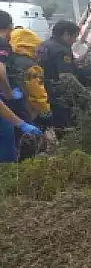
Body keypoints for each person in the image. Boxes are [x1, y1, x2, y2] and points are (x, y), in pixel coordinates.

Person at [0, 12, 42, 162]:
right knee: (8, 158)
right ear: (10, 27)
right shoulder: (3, 44)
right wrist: (9, 94)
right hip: (10, 108)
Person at [36, 20, 80, 130]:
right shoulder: (61, 50)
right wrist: (85, 93)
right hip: (58, 96)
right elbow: (65, 76)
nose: (74, 41)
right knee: (66, 128)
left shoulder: (44, 44)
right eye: (74, 37)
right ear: (65, 34)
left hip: (43, 91)